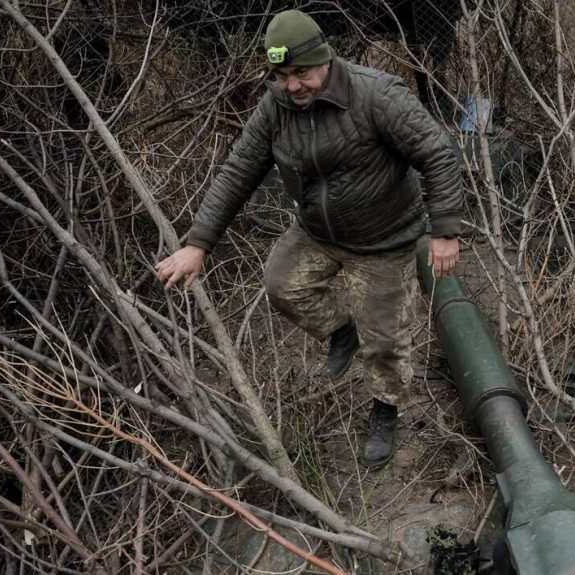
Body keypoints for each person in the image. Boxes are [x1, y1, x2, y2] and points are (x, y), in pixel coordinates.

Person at [155, 9, 463, 468]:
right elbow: (239, 170)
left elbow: (438, 155)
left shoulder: (376, 95)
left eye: (301, 73)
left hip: (383, 239)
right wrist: (199, 243)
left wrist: (445, 232)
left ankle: (385, 409)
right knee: (283, 285)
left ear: (325, 60)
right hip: (317, 231)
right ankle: (343, 331)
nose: (292, 86)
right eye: (280, 76)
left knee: (387, 344)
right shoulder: (275, 107)